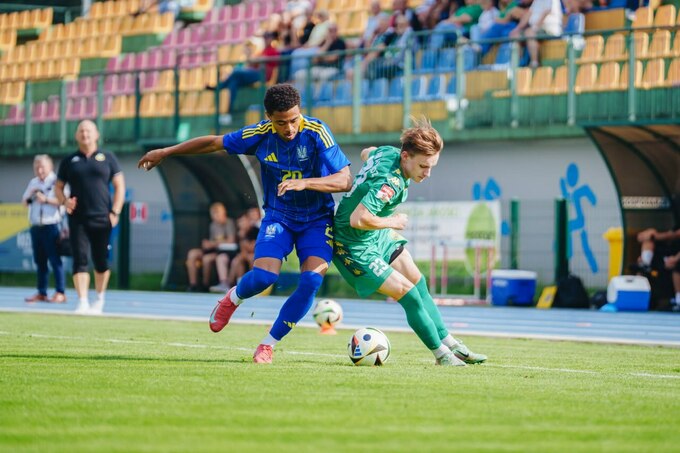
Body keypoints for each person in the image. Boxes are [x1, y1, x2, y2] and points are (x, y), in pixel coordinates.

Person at [138, 83, 352, 363]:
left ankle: (267, 344)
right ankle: (233, 298)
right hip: (279, 217)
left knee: (311, 281)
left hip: (318, 220)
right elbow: (213, 143)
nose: (289, 128)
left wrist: (306, 183)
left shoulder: (316, 132)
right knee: (264, 278)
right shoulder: (259, 135)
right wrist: (167, 152)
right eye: (281, 122)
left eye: (294, 120)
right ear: (268, 117)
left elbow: (345, 179)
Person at [331, 117, 488, 366]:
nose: (427, 173)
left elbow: (367, 152)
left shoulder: (387, 152)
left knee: (418, 281)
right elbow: (358, 219)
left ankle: (452, 344)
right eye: (423, 166)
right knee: (409, 295)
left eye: (431, 166)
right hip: (353, 245)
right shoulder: (390, 184)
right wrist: (392, 221)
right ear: (405, 156)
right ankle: (442, 356)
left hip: (374, 236)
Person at [55, 120, 126, 315]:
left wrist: (115, 211)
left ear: (96, 134)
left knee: (101, 260)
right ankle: (82, 301)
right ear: (76, 135)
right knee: (80, 259)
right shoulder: (69, 160)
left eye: (88, 130)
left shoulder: (108, 158)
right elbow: (58, 187)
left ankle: (99, 300)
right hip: (78, 219)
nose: (84, 134)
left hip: (102, 218)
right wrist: (64, 201)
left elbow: (120, 185)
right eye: (81, 131)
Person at [207, 32, 280, 125]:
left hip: (262, 75)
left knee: (236, 71)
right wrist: (249, 54)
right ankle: (229, 113)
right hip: (254, 74)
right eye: (265, 37)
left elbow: (260, 62)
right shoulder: (262, 51)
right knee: (233, 83)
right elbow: (251, 64)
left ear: (272, 39)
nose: (266, 39)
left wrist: (252, 57)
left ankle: (219, 87)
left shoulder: (273, 50)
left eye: (268, 37)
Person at [22, 154, 67, 304]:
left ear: (50, 167)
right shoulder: (33, 182)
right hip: (36, 226)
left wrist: (46, 199)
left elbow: (64, 201)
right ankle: (42, 292)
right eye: (36, 167)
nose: (39, 170)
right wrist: (32, 195)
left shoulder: (57, 182)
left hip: (51, 225)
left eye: (42, 167)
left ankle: (60, 292)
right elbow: (24, 202)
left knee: (55, 260)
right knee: (40, 261)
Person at [185, 202, 237, 292]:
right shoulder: (212, 225)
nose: (216, 217)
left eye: (218, 213)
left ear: (223, 213)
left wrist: (213, 243)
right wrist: (207, 244)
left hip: (223, 251)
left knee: (207, 259)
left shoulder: (229, 223)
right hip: (211, 250)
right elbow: (211, 241)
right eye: (214, 214)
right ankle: (193, 284)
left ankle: (205, 285)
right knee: (192, 253)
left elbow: (231, 240)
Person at [636, 227, 680, 310]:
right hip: (663, 259)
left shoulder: (657, 236)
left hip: (675, 259)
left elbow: (675, 234)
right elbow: (640, 237)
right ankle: (645, 264)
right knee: (641, 269)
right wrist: (650, 235)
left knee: (678, 267)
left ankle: (678, 301)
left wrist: (675, 259)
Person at [510, 0, 562, 68]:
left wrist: (535, 27)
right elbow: (529, 14)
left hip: (550, 30)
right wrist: (517, 29)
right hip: (536, 30)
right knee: (516, 35)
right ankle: (518, 64)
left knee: (529, 33)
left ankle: (534, 63)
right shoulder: (536, 1)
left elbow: (546, 13)